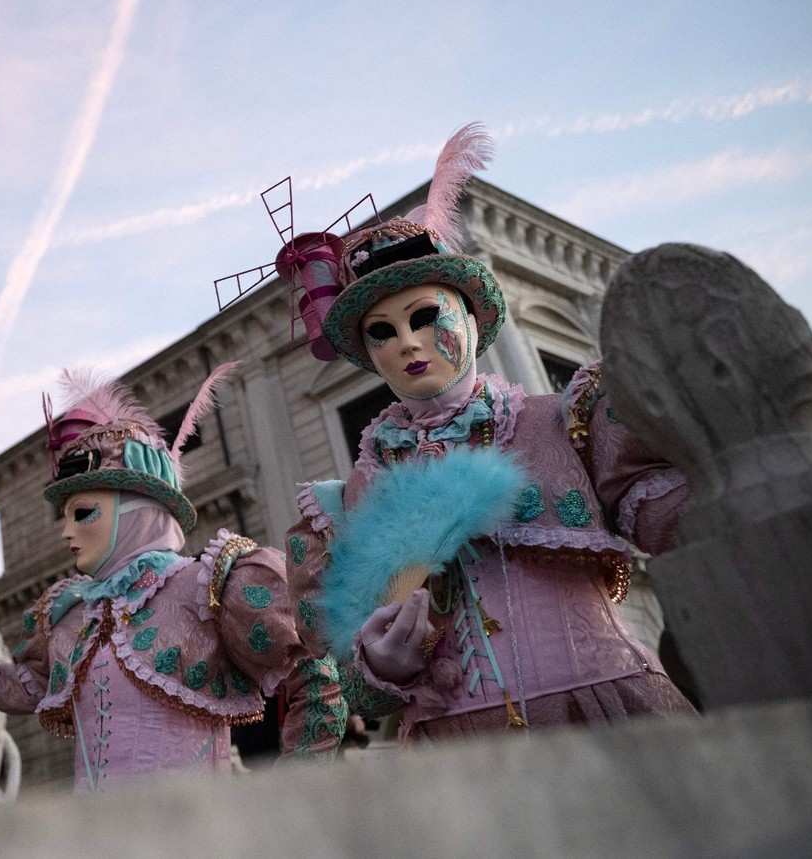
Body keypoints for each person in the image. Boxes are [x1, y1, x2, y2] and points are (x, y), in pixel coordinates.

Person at [278, 124, 695, 742]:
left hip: (604, 715)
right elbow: (350, 678)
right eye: (382, 333)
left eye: (425, 317)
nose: (408, 343)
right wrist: (382, 662)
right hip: (454, 746)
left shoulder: (562, 422)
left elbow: (687, 519)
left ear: (469, 318)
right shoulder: (355, 495)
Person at [0, 367, 347, 791]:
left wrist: (297, 789)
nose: (67, 531)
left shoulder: (211, 585)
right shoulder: (68, 613)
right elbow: (22, 687)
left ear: (141, 511)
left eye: (83, 513)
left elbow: (314, 673)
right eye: (63, 517)